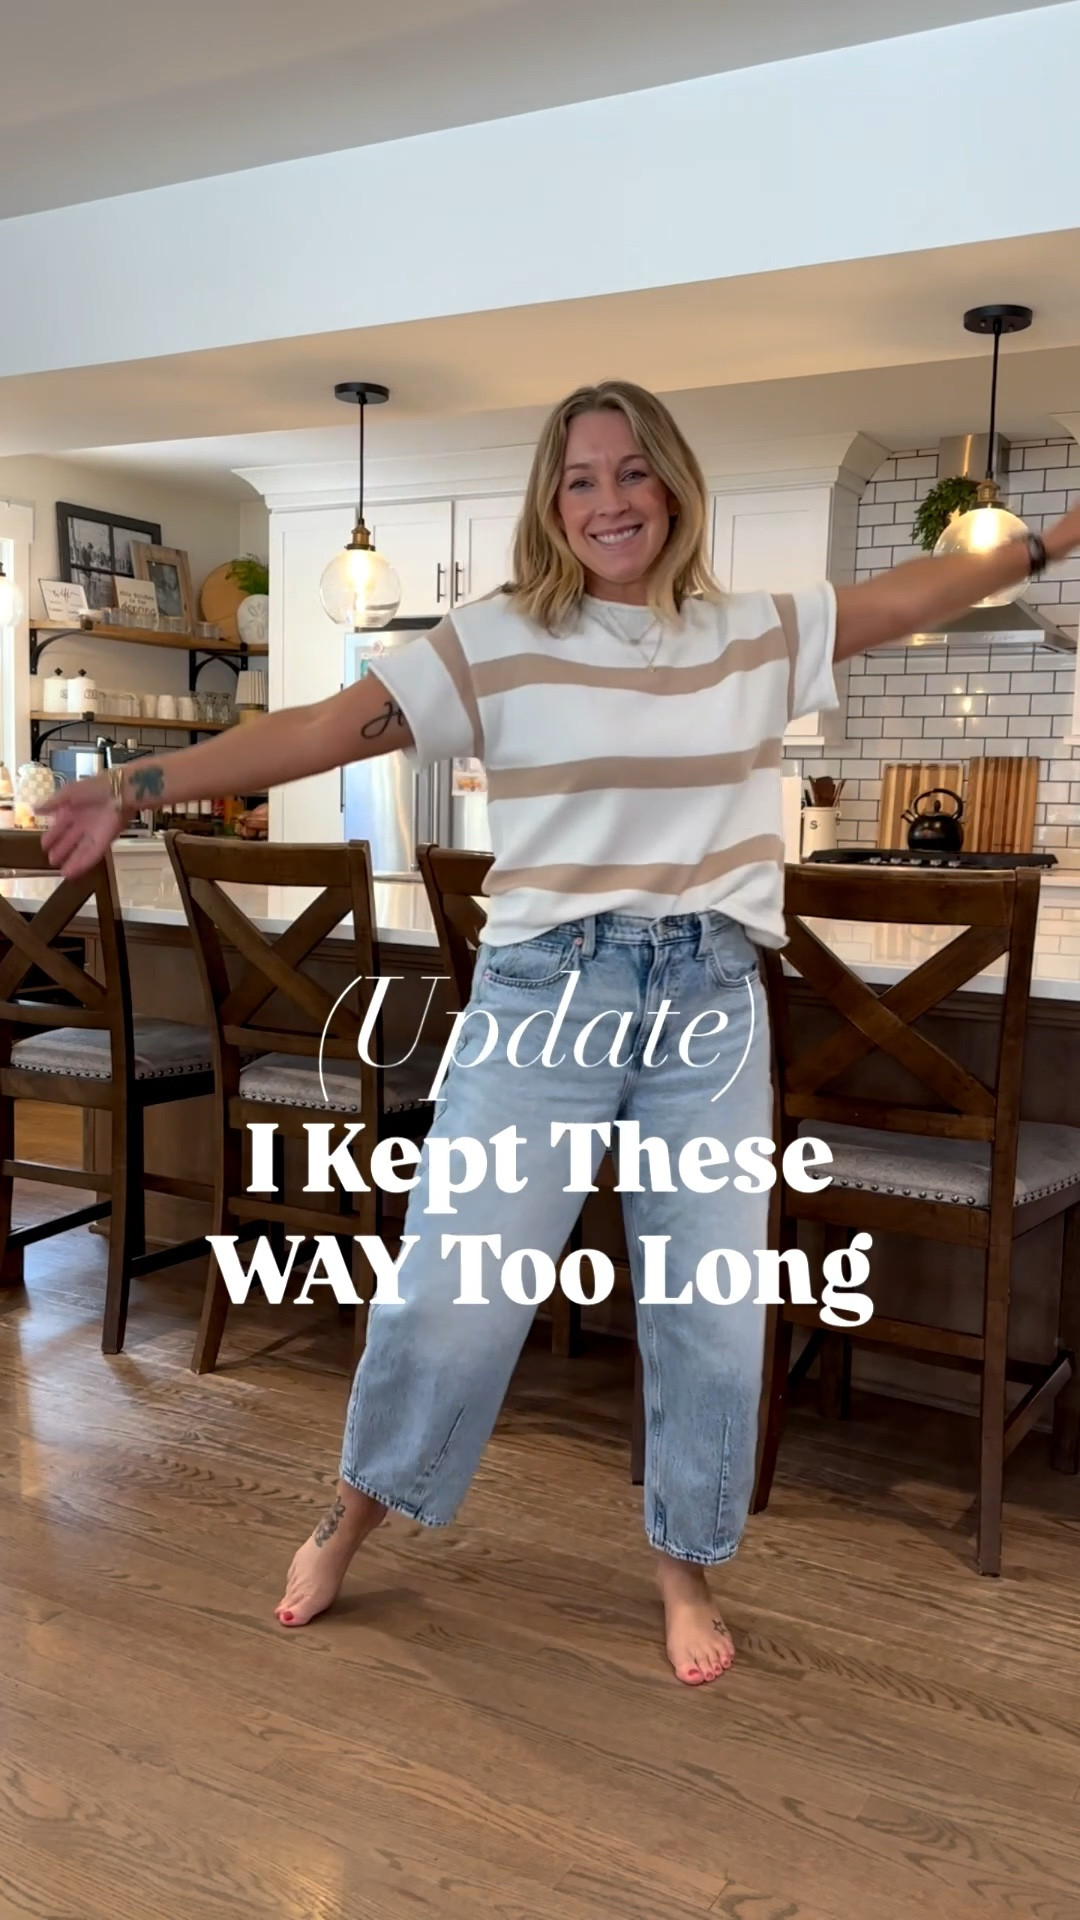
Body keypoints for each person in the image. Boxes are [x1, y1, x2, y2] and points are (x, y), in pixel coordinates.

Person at [42, 380, 1080, 1685]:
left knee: (706, 1312)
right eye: (581, 479)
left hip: (708, 1006)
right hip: (546, 1003)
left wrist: (1054, 536)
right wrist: (139, 783)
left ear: (675, 488)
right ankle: (347, 1518)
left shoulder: (758, 631)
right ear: (552, 501)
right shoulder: (494, 642)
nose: (608, 501)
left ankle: (681, 1566)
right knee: (458, 1298)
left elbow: (918, 594)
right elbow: (314, 729)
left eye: (632, 474)